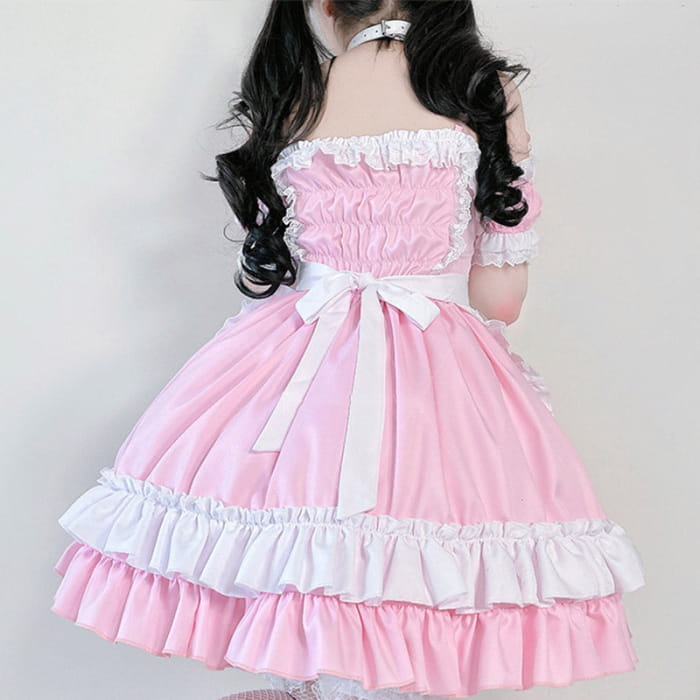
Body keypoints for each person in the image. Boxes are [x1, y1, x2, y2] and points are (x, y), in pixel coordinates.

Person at [50, 2, 647, 699]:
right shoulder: (481, 88)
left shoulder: (294, 93)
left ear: (325, 4)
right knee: (413, 569)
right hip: (432, 369)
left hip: (296, 367)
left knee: (303, 564)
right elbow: (500, 301)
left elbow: (281, 271)